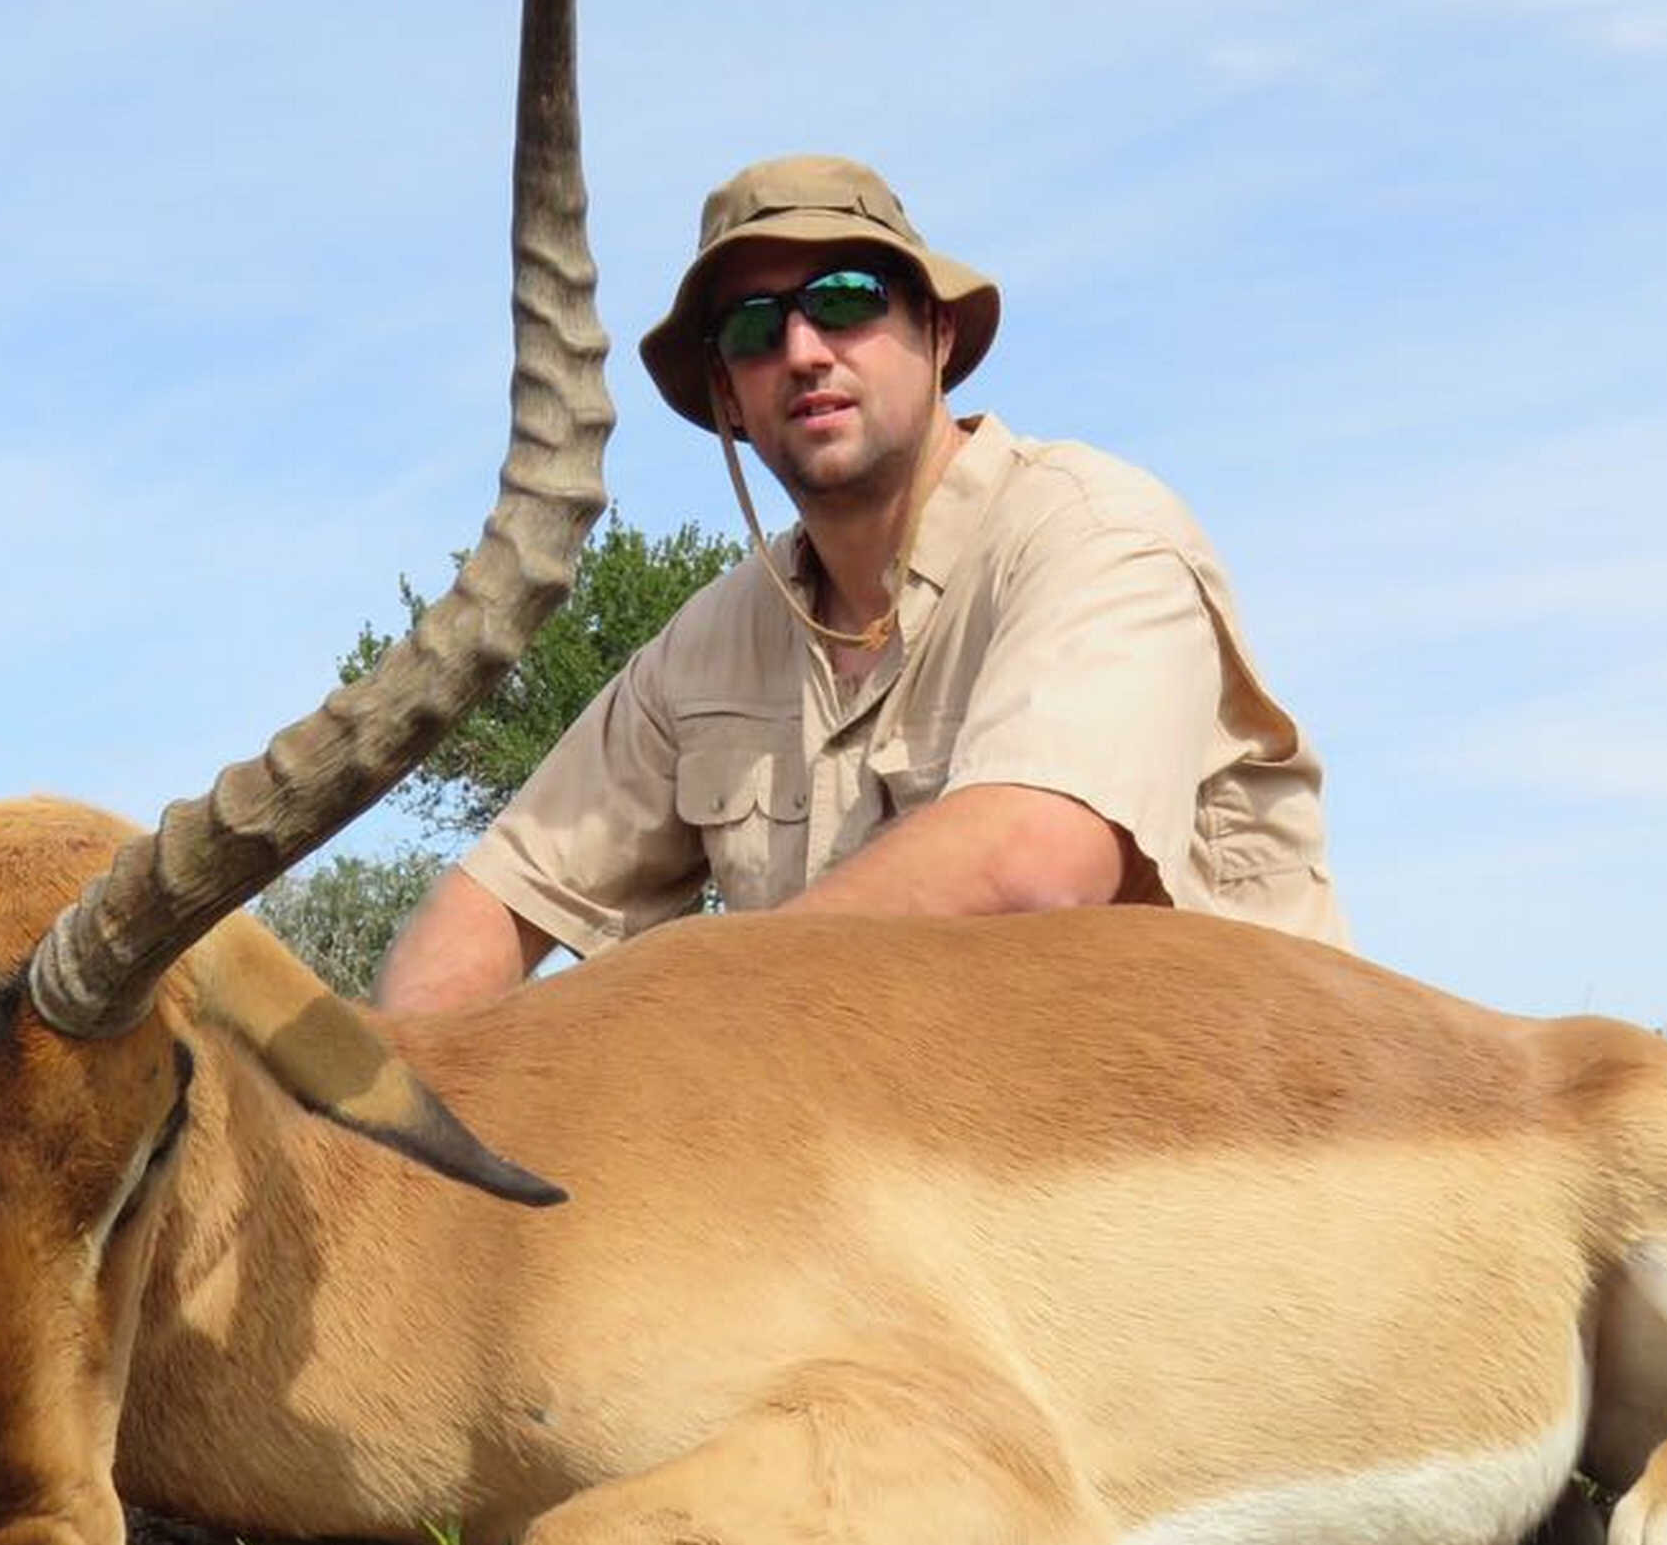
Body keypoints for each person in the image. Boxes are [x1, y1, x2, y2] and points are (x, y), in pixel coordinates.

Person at [375, 153, 1344, 1012]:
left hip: (1237, 1157)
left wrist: (682, 1004)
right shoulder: (706, 649)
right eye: (753, 329)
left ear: (938, 335)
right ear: (729, 399)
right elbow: (491, 898)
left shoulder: (1093, 532)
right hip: (934, 1183)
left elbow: (1035, 863)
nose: (801, 351)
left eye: (844, 299)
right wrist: (400, 1100)